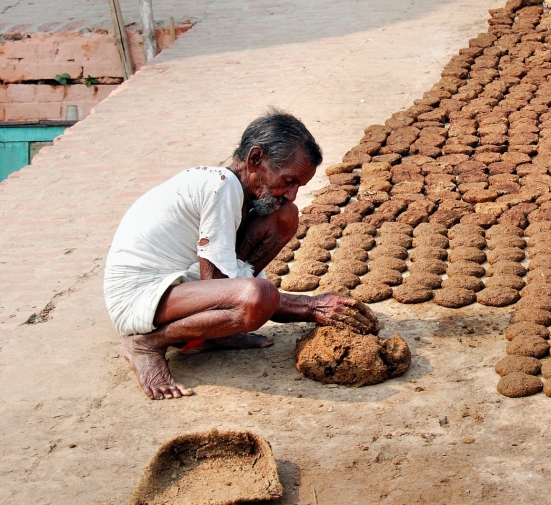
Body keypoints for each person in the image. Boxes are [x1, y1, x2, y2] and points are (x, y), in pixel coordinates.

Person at [104, 110, 379, 400]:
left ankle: (213, 334)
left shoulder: (238, 191)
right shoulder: (221, 186)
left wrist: (299, 307)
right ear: (255, 159)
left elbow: (229, 281)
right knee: (258, 296)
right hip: (138, 297)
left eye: (298, 186)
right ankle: (147, 344)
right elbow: (222, 287)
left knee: (284, 216)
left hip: (175, 287)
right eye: (288, 181)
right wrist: (311, 307)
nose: (292, 193)